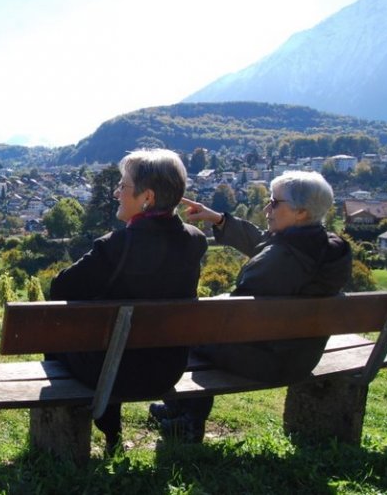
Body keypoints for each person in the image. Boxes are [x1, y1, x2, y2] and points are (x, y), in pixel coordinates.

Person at [150, 170, 352, 443]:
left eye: (275, 202)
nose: (267, 208)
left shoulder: (283, 258)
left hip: (267, 359)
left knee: (183, 332)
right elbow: (265, 245)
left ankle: (188, 420)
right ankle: (180, 412)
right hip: (301, 355)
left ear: (301, 212)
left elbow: (233, 318)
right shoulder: (319, 247)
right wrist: (219, 219)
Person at [49, 149, 208, 454]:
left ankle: (108, 434)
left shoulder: (115, 246)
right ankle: (111, 434)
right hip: (166, 370)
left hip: (112, 374)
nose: (116, 192)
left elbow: (60, 289)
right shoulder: (195, 241)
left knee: (61, 333)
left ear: (146, 197)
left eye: (123, 186)